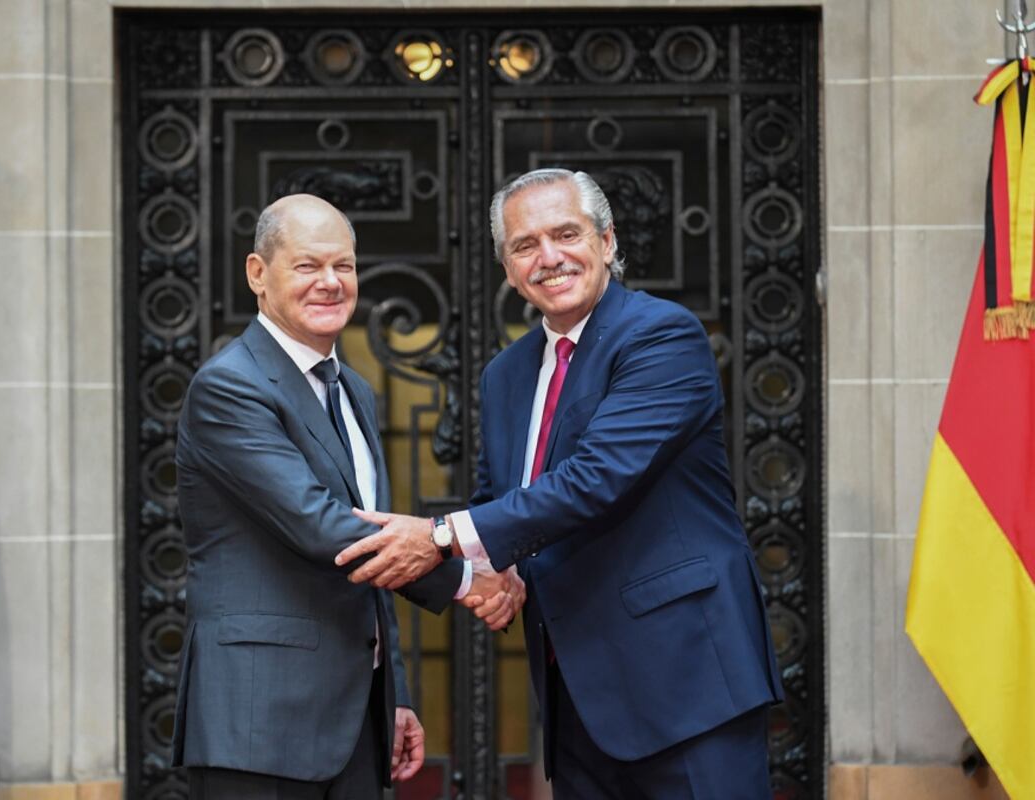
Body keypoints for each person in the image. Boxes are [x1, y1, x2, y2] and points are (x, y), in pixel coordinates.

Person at [337, 169, 785, 799]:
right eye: (525, 245)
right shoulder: (505, 374)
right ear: (508, 268)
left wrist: (439, 538)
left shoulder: (661, 336)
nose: (548, 258)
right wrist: (498, 573)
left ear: (606, 240)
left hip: (687, 680)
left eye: (566, 234)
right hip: (575, 691)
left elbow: (595, 479)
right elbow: (500, 498)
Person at [171, 194, 519, 799]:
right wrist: (467, 579)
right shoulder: (229, 387)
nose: (331, 283)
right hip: (259, 724)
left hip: (355, 719)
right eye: (308, 266)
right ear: (258, 273)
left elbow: (371, 542)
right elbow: (322, 527)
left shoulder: (353, 389)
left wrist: (395, 695)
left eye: (345, 266)